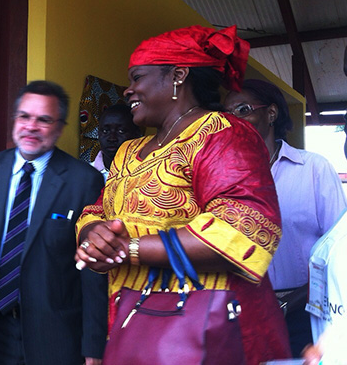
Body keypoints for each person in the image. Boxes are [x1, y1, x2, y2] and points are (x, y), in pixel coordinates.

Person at [75, 25, 291, 365]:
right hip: (134, 324)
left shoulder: (222, 135)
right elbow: (98, 209)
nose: (129, 90)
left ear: (177, 76)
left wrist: (125, 250)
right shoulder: (129, 150)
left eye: (137, 78)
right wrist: (92, 235)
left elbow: (243, 229)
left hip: (208, 334)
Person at [0, 80, 108, 365]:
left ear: (60, 127)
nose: (31, 127)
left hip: (56, 338)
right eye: (25, 116)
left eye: (44, 120)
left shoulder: (83, 180)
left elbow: (92, 272)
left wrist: (93, 348)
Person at [224, 79, 347, 357]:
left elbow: (336, 254)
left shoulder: (313, 169)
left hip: (302, 312)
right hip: (244, 313)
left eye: (243, 109)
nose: (233, 121)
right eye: (227, 114)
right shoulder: (224, 177)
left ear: (271, 113)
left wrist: (288, 303)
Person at [91, 103, 142, 181]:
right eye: (105, 131)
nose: (112, 138)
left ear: (137, 134)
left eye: (121, 131)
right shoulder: (85, 174)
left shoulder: (145, 174)